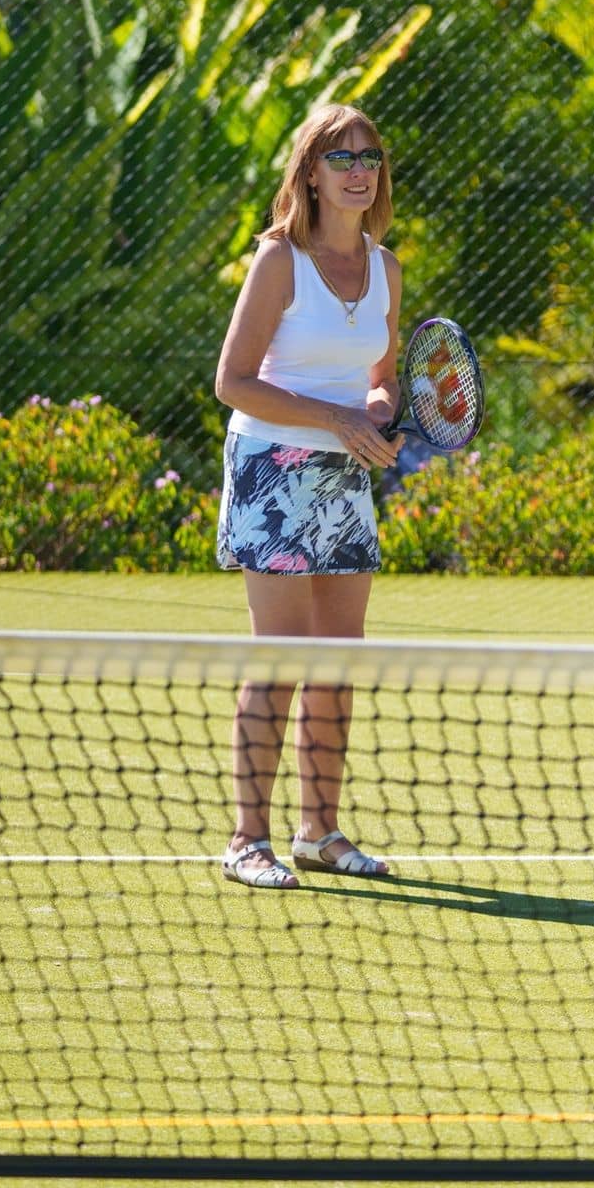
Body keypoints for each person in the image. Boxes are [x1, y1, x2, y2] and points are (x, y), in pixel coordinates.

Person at [212, 103, 403, 890]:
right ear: (311, 176)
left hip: (346, 478)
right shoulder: (279, 263)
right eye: (341, 157)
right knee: (281, 659)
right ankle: (245, 840)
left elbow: (382, 380)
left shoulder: (386, 266)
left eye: (370, 156)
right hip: (273, 466)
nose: (359, 169)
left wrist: (379, 417)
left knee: (337, 659)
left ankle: (319, 832)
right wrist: (336, 417)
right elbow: (231, 381)